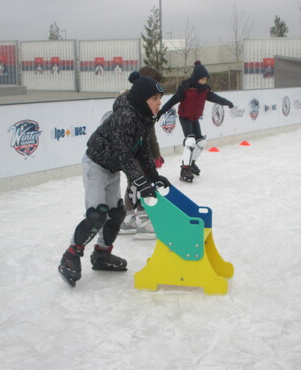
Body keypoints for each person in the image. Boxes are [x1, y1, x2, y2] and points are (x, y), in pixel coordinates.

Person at [58, 71, 170, 288]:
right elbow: (124, 155)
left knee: (117, 213)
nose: (159, 104)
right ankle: (71, 255)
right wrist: (141, 182)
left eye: (159, 99)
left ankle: (101, 254)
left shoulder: (143, 117)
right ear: (142, 99)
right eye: (155, 99)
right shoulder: (125, 117)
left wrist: (153, 176)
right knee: (97, 215)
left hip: (112, 168)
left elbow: (142, 150)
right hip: (96, 166)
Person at [156, 61, 234, 182]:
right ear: (196, 78)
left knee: (201, 143)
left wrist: (227, 102)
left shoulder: (205, 90)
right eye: (202, 79)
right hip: (185, 117)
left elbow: (216, 98)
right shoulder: (186, 88)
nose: (204, 82)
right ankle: (185, 168)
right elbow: (173, 100)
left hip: (194, 119)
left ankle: (191, 163)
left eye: (206, 79)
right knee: (190, 141)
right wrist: (161, 112)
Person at [118, 66, 165, 240]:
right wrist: (153, 154)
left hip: (139, 151)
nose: (157, 99)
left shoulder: (145, 104)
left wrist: (155, 154)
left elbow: (150, 134)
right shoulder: (130, 104)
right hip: (130, 152)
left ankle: (129, 218)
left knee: (135, 183)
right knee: (139, 182)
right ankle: (142, 220)